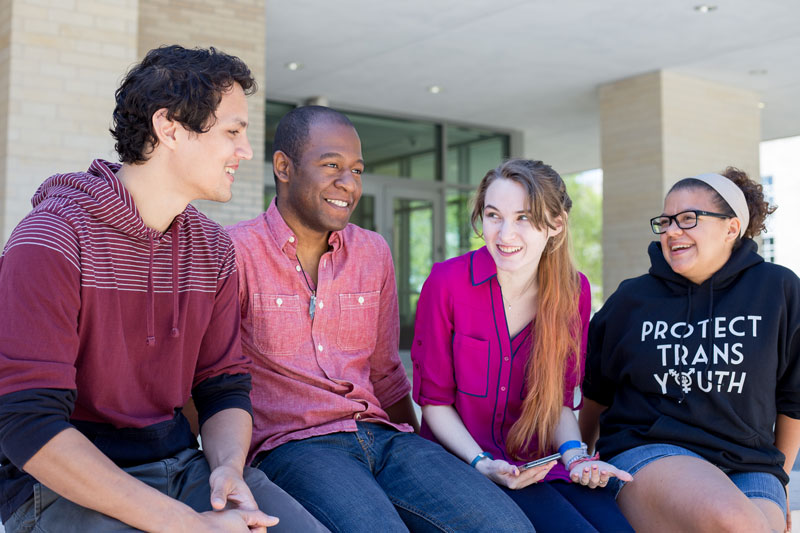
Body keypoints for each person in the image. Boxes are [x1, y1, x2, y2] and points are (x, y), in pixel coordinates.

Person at [0, 45, 327, 532]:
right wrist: (189, 526)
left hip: (183, 470)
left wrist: (227, 470)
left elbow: (222, 387)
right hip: (61, 486)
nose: (245, 151)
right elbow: (27, 426)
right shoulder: (51, 241)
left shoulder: (212, 249)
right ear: (169, 128)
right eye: (233, 132)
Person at [227, 105, 536, 533]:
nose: (348, 184)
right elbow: (208, 377)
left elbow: (386, 372)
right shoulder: (234, 252)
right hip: (295, 447)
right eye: (332, 165)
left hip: (384, 438)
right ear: (283, 167)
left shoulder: (372, 252)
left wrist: (420, 452)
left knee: (507, 527)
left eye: (356, 170)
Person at [411, 159, 633, 533]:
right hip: (461, 465)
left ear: (556, 225)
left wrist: (576, 457)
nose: (504, 234)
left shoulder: (574, 291)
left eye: (524, 218)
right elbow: (434, 404)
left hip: (538, 467)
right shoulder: (446, 283)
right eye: (493, 215)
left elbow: (559, 402)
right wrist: (481, 462)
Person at [580, 168, 800, 533]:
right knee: (738, 524)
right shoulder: (631, 300)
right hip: (652, 450)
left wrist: (780, 482)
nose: (671, 231)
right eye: (665, 222)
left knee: (758, 525)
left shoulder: (778, 290)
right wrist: (577, 461)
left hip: (750, 464)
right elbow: (596, 396)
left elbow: (793, 400)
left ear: (731, 228)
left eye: (687, 219)